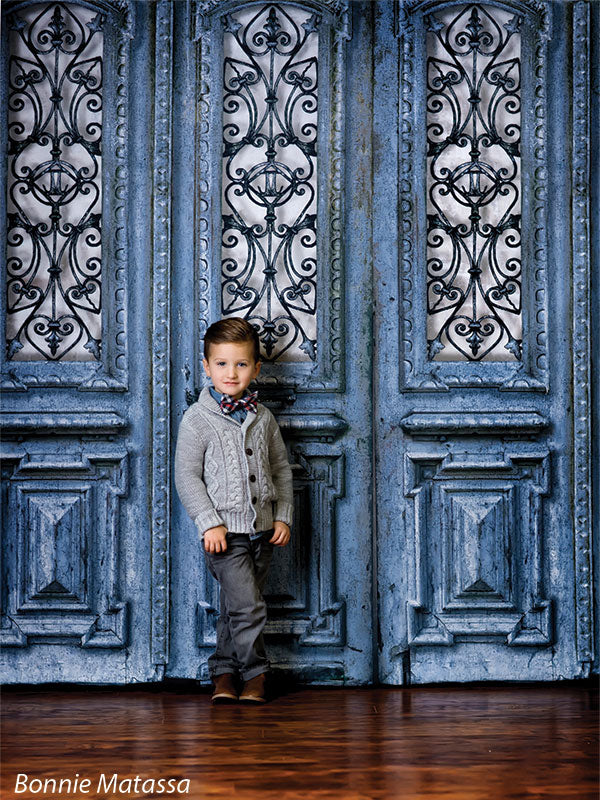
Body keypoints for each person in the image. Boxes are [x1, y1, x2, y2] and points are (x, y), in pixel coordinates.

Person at [174, 317, 294, 704]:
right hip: (225, 536)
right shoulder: (197, 419)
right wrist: (209, 523)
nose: (231, 373)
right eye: (222, 364)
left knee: (234, 607)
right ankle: (256, 675)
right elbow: (187, 478)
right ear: (207, 367)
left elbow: (279, 468)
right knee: (249, 607)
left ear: (256, 368)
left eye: (241, 364)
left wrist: (283, 514)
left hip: (262, 532)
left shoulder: (264, 418)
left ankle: (223, 673)